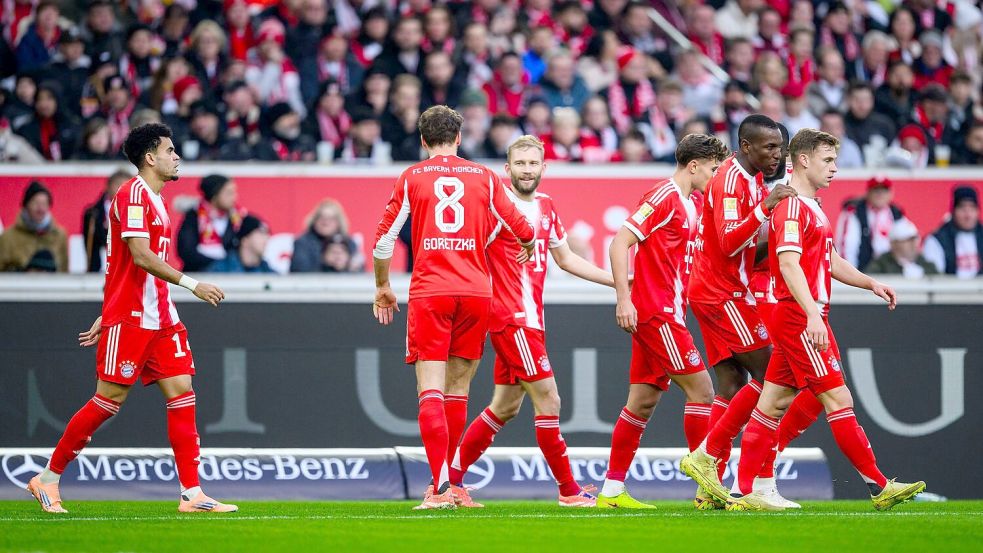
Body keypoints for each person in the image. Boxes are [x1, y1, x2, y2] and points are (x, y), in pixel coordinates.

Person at [695, 128, 925, 511]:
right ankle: (878, 485)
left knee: (772, 403)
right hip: (800, 315)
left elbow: (829, 261)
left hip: (803, 313)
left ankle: (741, 486)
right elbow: (786, 262)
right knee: (836, 396)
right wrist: (812, 314)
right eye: (828, 160)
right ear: (803, 160)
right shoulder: (791, 206)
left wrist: (870, 283)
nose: (834, 169)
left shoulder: (812, 205)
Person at [26, 123, 237, 514]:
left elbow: (122, 265)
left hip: (161, 317)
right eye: (170, 150)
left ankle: (192, 493)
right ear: (150, 157)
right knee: (108, 400)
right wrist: (192, 284)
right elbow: (139, 256)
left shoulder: (157, 200)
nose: (177, 157)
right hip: (134, 317)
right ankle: (48, 477)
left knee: (182, 393)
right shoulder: (132, 195)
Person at [371, 105, 535, 510]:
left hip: (431, 291)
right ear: (459, 139)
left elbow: (383, 242)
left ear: (423, 140)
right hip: (476, 291)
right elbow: (523, 227)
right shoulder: (484, 176)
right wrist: (528, 243)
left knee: (430, 388)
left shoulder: (412, 177)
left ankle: (441, 487)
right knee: (458, 389)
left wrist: (382, 286)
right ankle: (451, 485)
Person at [448, 135, 614, 508]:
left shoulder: (547, 206)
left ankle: (449, 481)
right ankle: (569, 492)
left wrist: (618, 280)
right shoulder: (495, 208)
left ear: (543, 167)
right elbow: (468, 254)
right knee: (549, 399)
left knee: (504, 407)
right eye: (519, 164)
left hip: (531, 320)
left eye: (532, 163)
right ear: (507, 169)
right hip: (511, 318)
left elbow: (567, 259)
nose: (527, 170)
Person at [596, 134, 729, 509]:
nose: (715, 176)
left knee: (641, 401)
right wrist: (624, 298)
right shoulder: (663, 196)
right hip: (657, 313)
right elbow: (619, 242)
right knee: (702, 391)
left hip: (666, 310)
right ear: (693, 166)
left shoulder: (694, 203)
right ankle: (707, 488)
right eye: (713, 169)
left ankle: (611, 492)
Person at [680, 115, 798, 509]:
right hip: (722, 293)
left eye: (779, 147)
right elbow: (731, 242)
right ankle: (711, 459)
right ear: (745, 147)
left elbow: (743, 246)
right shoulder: (732, 181)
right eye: (769, 147)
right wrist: (768, 207)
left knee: (730, 385)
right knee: (772, 376)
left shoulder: (750, 178)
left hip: (718, 289)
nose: (776, 155)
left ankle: (706, 486)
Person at [835, 177, 905, 270]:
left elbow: (909, 244)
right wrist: (851, 275)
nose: (880, 194)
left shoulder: (896, 213)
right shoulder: (854, 213)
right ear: (868, 193)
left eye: (884, 190)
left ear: (890, 194)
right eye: (876, 190)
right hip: (864, 271)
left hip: (892, 270)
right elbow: (847, 247)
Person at [177, 174, 243, 272]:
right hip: (198, 276)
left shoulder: (238, 218)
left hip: (230, 276)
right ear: (215, 195)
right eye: (229, 193)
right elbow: (186, 251)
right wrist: (218, 263)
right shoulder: (193, 217)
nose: (234, 197)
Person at [0, 181, 68, 272]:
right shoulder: (8, 237)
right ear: (26, 205)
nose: (41, 209)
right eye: (36, 203)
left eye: (44, 203)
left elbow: (64, 272)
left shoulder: (59, 236)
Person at [923, 186, 983, 278]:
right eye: (962, 209)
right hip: (950, 291)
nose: (968, 215)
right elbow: (934, 277)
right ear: (953, 211)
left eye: (972, 208)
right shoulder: (937, 240)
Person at [82, 169, 131, 273]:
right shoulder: (92, 214)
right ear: (108, 187)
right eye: (118, 185)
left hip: (127, 273)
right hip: (99, 272)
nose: (122, 189)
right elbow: (90, 247)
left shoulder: (139, 212)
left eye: (127, 186)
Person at [290, 198, 354, 273]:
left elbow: (361, 273)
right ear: (314, 220)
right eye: (321, 217)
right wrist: (326, 264)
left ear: (339, 222)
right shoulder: (303, 244)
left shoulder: (349, 243)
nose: (326, 222)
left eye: (331, 218)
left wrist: (346, 266)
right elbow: (299, 272)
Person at [866, 218, 938, 278]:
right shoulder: (881, 266)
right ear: (894, 244)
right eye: (907, 240)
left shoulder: (926, 265)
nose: (913, 244)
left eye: (915, 239)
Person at [208, 214, 275, 273]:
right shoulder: (218, 271)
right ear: (244, 240)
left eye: (267, 234)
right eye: (261, 233)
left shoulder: (268, 272)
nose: (267, 238)